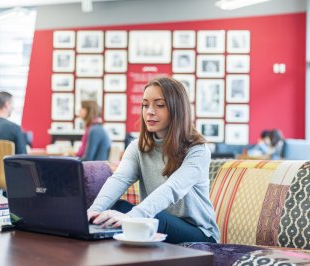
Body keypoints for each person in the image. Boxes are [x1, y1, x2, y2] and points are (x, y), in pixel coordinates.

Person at [87, 77, 220, 244]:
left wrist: (132, 218)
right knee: (114, 209)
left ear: (176, 109)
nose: (149, 111)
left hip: (200, 233)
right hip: (155, 220)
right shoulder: (137, 147)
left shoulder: (197, 150)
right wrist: (94, 211)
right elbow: (119, 179)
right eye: (145, 104)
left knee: (152, 217)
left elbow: (172, 188)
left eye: (159, 105)